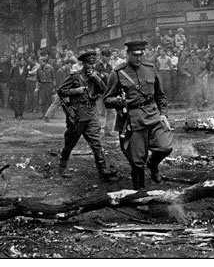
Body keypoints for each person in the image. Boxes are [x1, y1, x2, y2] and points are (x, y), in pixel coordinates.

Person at [104, 40, 173, 190]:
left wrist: (163, 114)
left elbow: (161, 95)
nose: (138, 58)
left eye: (141, 54)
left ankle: (153, 165)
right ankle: (139, 191)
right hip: (133, 119)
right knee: (137, 160)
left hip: (153, 114)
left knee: (165, 147)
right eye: (135, 55)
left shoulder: (150, 68)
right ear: (128, 54)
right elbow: (107, 100)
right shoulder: (117, 73)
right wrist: (118, 101)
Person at [57, 50, 118, 182]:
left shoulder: (95, 77)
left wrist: (96, 78)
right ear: (83, 64)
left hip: (91, 113)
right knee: (70, 143)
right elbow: (61, 91)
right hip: (77, 116)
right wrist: (75, 90)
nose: (91, 66)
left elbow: (105, 91)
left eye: (93, 64)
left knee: (96, 143)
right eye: (89, 64)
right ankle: (62, 168)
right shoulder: (75, 77)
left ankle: (103, 171)